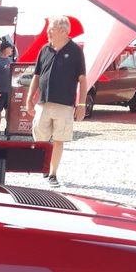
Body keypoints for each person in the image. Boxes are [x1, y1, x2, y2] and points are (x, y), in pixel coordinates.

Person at [24, 15, 87, 188]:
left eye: (51, 29)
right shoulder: (44, 49)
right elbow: (37, 76)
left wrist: (81, 105)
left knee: (59, 139)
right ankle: (43, 167)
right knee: (40, 138)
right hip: (43, 103)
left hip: (64, 105)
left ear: (63, 31)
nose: (48, 32)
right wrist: (29, 99)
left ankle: (53, 173)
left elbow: (82, 80)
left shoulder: (76, 51)